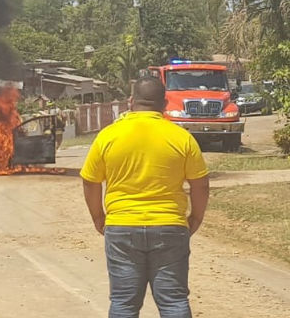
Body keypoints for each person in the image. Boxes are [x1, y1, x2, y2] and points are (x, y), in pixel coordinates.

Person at [80, 76, 209, 318]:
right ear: (165, 103)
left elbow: (90, 181)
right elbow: (200, 185)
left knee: (124, 303)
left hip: (121, 227)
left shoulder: (108, 136)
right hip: (170, 226)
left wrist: (99, 218)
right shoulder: (181, 137)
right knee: (173, 302)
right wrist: (196, 218)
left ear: (130, 101)